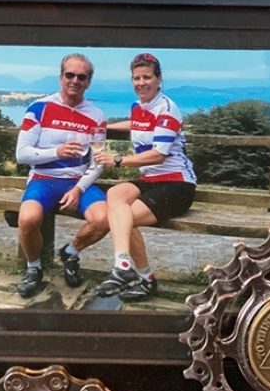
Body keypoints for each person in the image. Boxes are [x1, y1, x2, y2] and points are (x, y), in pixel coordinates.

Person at [94, 53, 196, 300]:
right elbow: (137, 124)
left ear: (159, 79)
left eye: (147, 77)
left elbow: (158, 155)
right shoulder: (139, 107)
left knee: (122, 217)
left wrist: (117, 160)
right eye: (136, 78)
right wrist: (105, 127)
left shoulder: (168, 109)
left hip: (177, 184)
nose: (141, 83)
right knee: (116, 195)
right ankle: (126, 268)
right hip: (151, 181)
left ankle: (137, 275)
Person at [13, 53, 109, 298]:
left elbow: (98, 162)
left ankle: (71, 252)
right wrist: (57, 151)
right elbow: (22, 154)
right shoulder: (39, 108)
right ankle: (34, 268)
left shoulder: (96, 116)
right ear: (60, 77)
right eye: (70, 75)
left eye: (81, 76)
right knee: (27, 219)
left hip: (78, 182)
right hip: (43, 180)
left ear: (88, 82)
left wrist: (78, 189)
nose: (75, 80)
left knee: (104, 219)